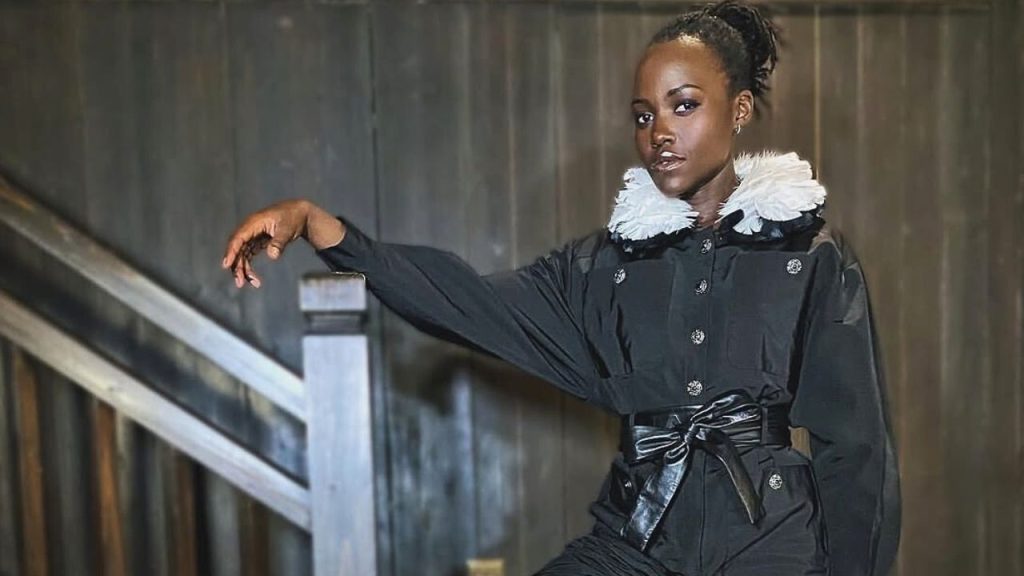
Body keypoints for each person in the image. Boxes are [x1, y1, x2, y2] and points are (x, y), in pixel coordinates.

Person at [221, 1, 901, 574]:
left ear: (740, 108)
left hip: (770, 546)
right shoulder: (605, 266)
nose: (659, 132)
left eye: (684, 106)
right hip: (639, 538)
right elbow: (466, 304)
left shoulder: (808, 257)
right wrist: (322, 227)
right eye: (643, 116)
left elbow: (857, 448)